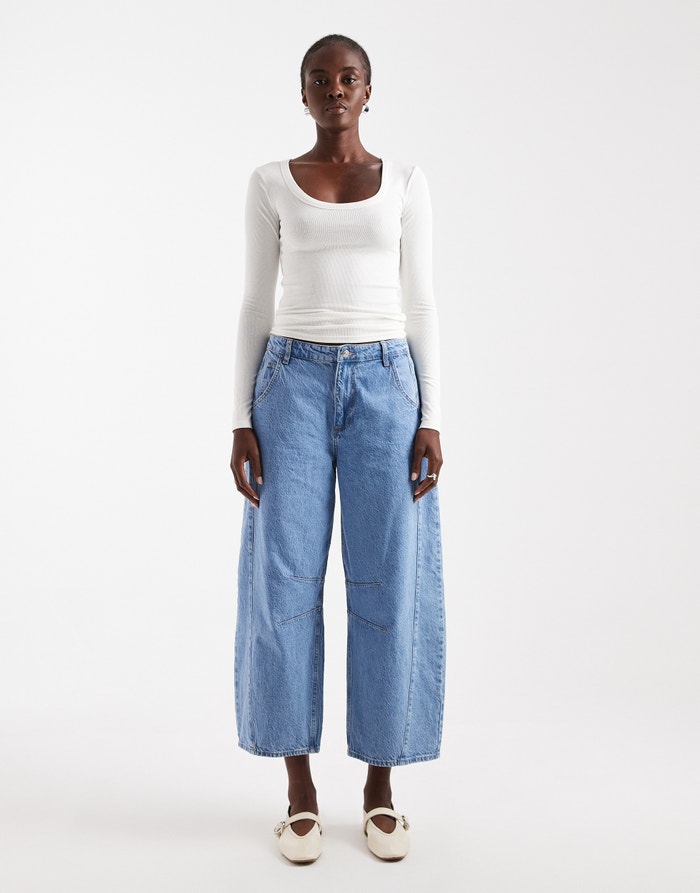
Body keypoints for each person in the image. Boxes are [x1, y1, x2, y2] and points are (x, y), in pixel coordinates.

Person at [229, 34, 446, 864]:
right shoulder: (271, 183)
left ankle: (380, 786)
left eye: (348, 77)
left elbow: (421, 303)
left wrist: (433, 415)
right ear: (303, 93)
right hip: (290, 384)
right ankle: (299, 791)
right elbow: (255, 302)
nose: (335, 89)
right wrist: (239, 418)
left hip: (388, 385)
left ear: (368, 90)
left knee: (390, 574)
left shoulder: (407, 183)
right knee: (284, 578)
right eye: (320, 79)